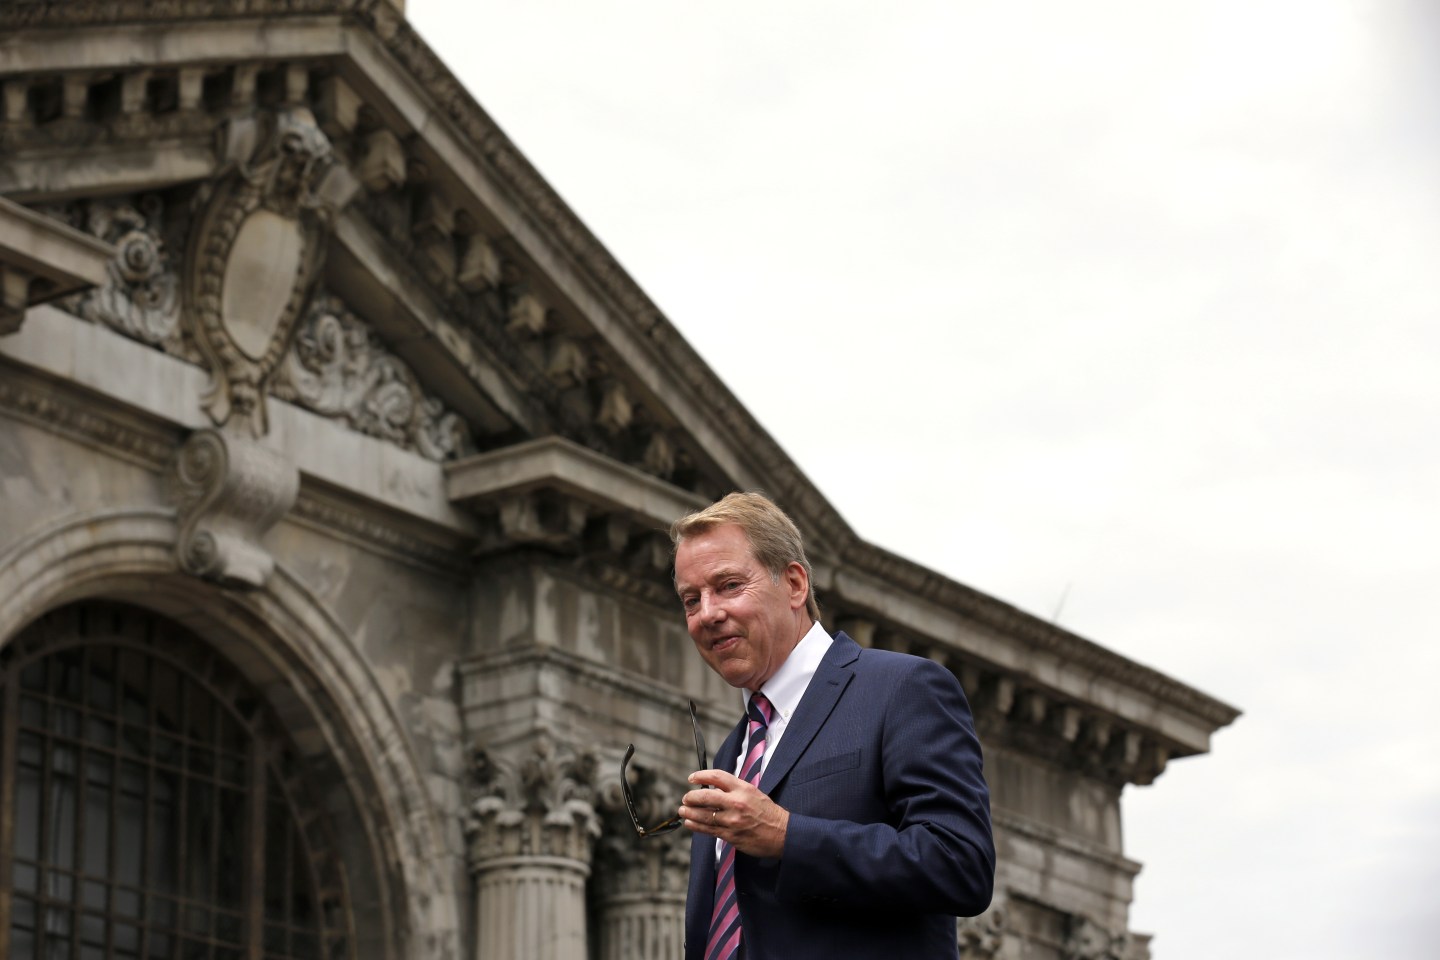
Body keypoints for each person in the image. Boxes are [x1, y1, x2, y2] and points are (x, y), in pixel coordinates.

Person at [672, 491, 994, 960]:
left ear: (796, 584)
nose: (707, 614)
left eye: (728, 586)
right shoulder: (734, 752)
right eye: (690, 599)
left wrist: (786, 834)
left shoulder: (901, 688)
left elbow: (960, 864)